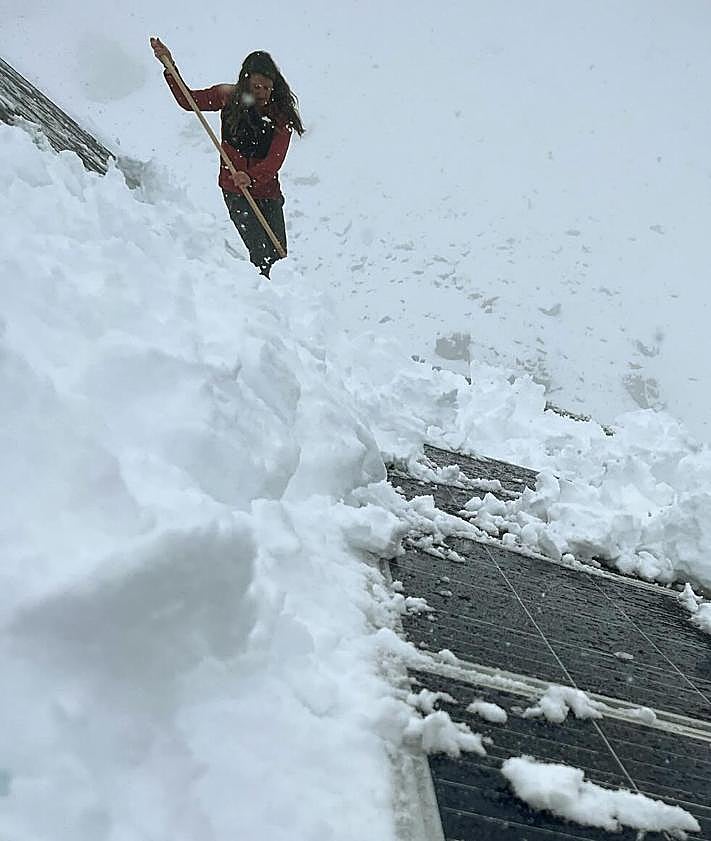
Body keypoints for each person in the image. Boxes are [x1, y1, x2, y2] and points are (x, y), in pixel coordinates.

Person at [150, 38, 303, 277]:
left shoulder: (279, 115)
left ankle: (280, 300)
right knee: (262, 255)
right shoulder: (227, 97)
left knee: (280, 255)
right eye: (256, 87)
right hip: (235, 192)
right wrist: (170, 66)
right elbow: (189, 100)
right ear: (245, 83)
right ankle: (263, 302)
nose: (261, 93)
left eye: (266, 87)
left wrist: (251, 177)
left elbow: (275, 160)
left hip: (267, 192)